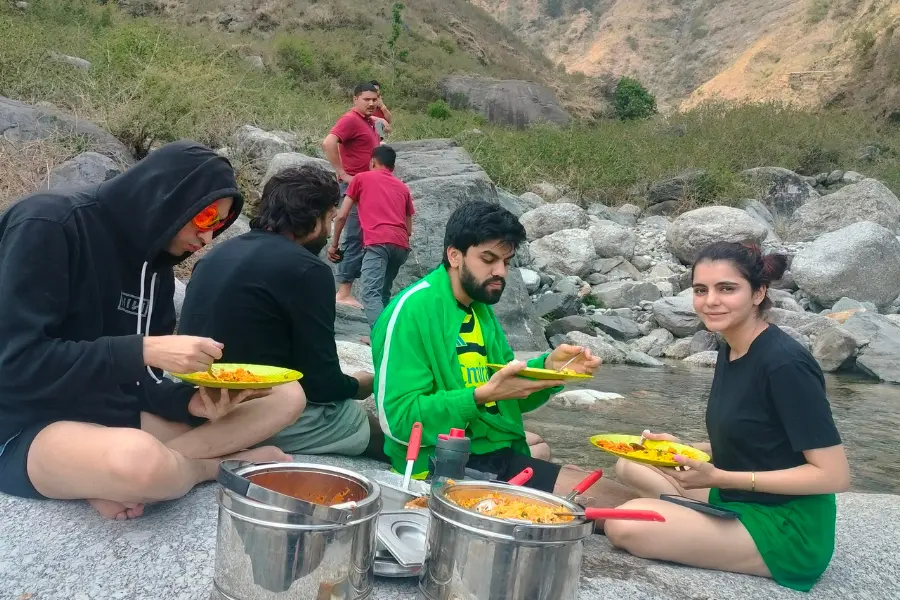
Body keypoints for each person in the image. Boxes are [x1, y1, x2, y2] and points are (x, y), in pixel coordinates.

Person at [0, 140, 306, 520]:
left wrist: (187, 402)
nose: (208, 237)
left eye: (221, 225)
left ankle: (117, 478)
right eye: (207, 217)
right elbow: (14, 365)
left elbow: (144, 382)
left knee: (286, 395)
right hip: (24, 423)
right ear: (169, 194)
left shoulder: (156, 267)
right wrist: (142, 349)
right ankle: (213, 468)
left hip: (108, 412)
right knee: (139, 462)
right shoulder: (48, 224)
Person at [605, 241, 850, 592]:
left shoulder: (786, 364)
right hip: (738, 497)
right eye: (701, 290)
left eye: (727, 289)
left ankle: (699, 526)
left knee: (625, 525)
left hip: (786, 524)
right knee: (631, 465)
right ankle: (696, 522)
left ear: (758, 293)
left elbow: (833, 475)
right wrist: (686, 450)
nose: (710, 301)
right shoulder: (731, 347)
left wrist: (720, 477)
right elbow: (756, 438)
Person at [371, 201, 637, 510]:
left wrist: (551, 369)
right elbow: (399, 420)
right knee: (623, 504)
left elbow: (509, 398)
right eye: (488, 259)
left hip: (492, 454)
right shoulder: (411, 312)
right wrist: (479, 396)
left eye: (506, 261)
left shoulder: (479, 309)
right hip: (442, 470)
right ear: (454, 255)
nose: (500, 272)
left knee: (548, 453)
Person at [178, 164, 386, 461]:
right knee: (372, 430)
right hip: (259, 412)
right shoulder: (308, 270)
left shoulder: (215, 256)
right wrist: (358, 385)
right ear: (314, 222)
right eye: (329, 219)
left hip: (199, 403)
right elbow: (321, 384)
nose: (328, 233)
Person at [328, 145, 414, 330]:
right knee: (383, 293)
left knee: (369, 293)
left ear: (372, 162)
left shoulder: (361, 178)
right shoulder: (403, 188)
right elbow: (408, 229)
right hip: (401, 246)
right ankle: (385, 334)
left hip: (378, 243)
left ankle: (382, 339)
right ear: (393, 167)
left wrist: (334, 245)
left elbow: (342, 215)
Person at [323, 82, 381, 310]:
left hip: (367, 188)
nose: (371, 103)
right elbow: (328, 142)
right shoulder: (350, 119)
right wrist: (342, 173)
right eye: (366, 99)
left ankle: (348, 289)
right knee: (355, 236)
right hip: (354, 188)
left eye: (374, 99)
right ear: (355, 99)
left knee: (364, 236)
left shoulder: (368, 122)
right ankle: (343, 291)